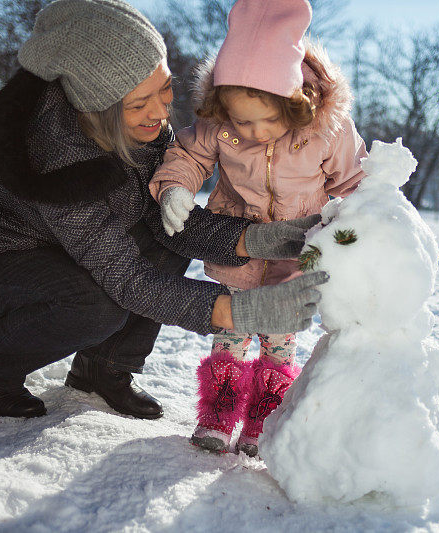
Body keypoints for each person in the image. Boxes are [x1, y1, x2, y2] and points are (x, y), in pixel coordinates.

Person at [0, 0, 328, 421]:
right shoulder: (57, 152)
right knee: (95, 305)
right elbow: (125, 277)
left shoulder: (146, 127)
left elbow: (165, 221)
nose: (162, 112)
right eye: (139, 102)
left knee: (171, 229)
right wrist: (237, 312)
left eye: (164, 87)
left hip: (68, 248)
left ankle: (102, 368)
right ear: (98, 106)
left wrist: (257, 239)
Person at [149, 0, 367, 456]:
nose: (251, 131)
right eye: (239, 120)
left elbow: (356, 182)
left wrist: (361, 227)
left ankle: (262, 423)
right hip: (238, 247)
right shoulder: (219, 123)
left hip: (295, 252)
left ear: (294, 102)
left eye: (266, 119)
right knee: (230, 334)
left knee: (279, 341)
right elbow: (188, 157)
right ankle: (217, 417)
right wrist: (175, 188)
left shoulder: (327, 130)